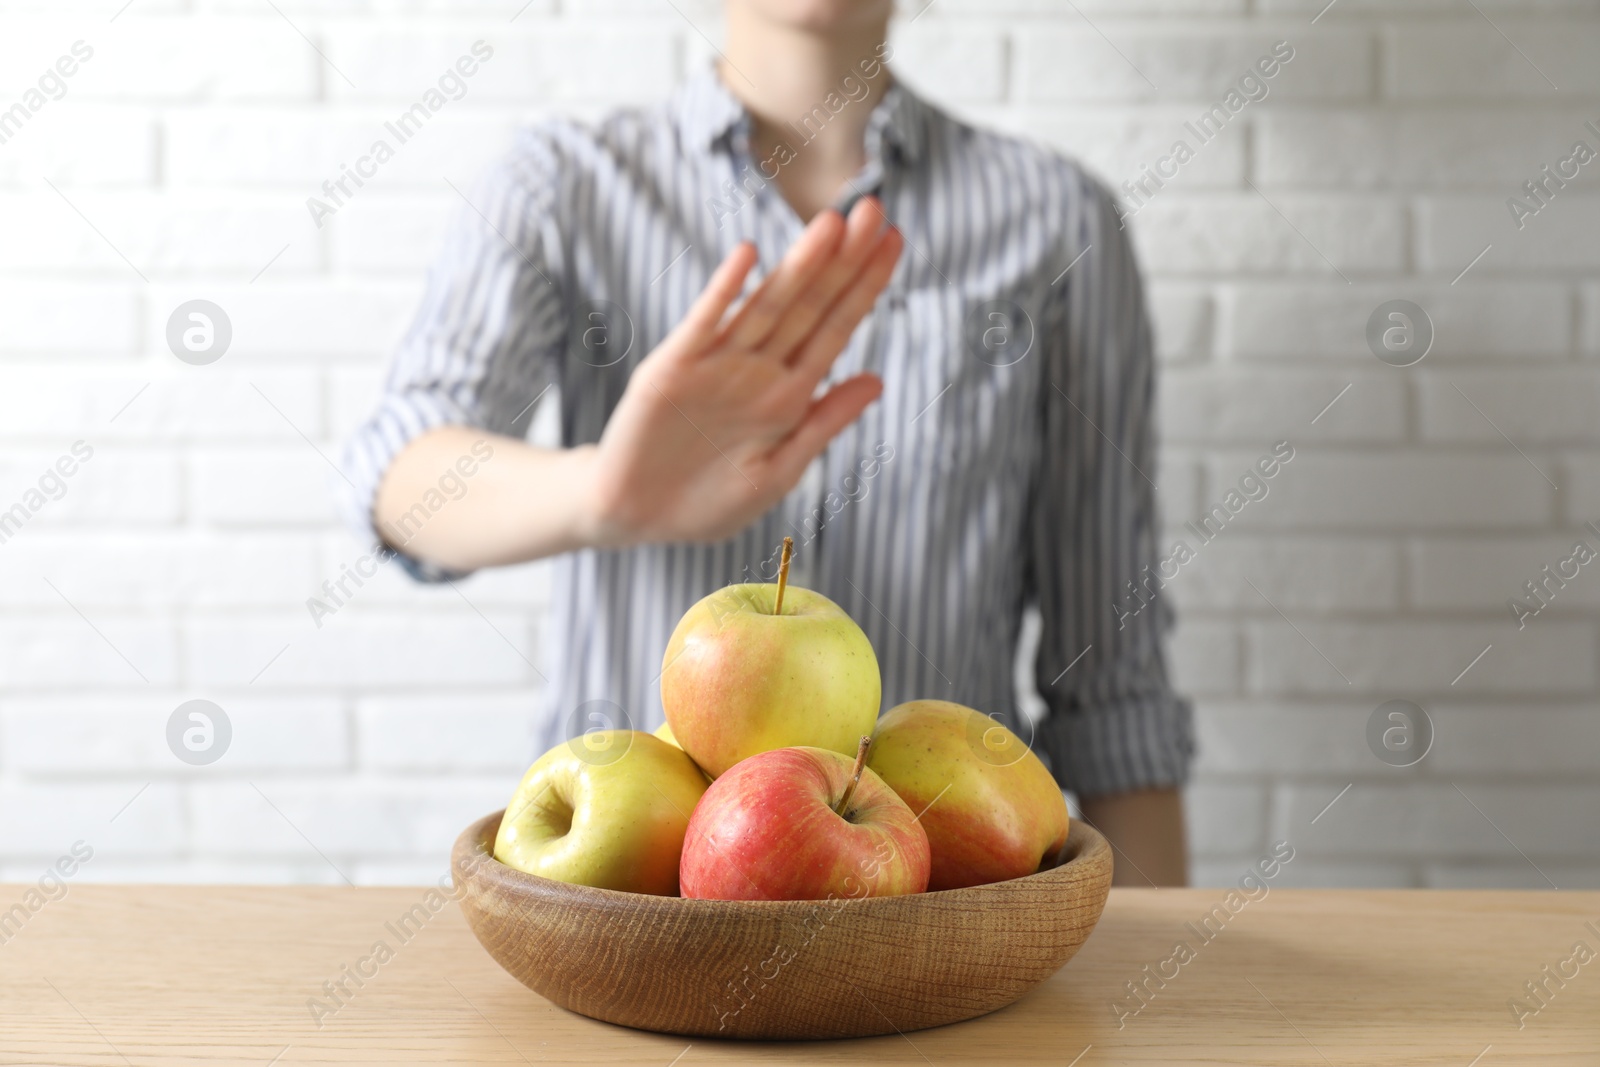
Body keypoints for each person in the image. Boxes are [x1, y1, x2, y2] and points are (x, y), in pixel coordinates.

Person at [342, 0, 1193, 885]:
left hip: (936, 929)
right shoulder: (563, 185)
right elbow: (395, 475)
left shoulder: (1057, 220)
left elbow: (1112, 683)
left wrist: (1159, 988)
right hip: (623, 913)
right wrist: (602, 494)